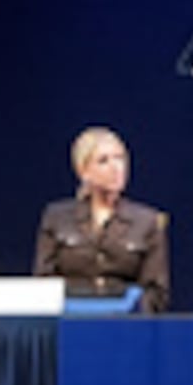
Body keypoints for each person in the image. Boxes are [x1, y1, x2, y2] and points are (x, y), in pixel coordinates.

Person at [34, 126, 168, 310]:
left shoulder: (147, 222)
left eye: (120, 158)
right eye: (103, 161)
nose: (116, 168)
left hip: (125, 326)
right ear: (83, 171)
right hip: (71, 320)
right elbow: (43, 284)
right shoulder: (57, 218)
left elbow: (156, 293)